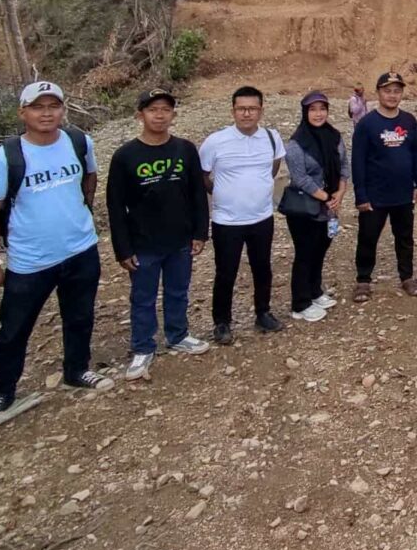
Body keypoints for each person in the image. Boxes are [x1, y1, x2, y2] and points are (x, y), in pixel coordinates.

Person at [0, 80, 111, 426]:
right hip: (29, 259)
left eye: (53, 106)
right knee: (15, 327)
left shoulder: (80, 142)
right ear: (23, 112)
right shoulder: (5, 158)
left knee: (80, 316)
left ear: (62, 110)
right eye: (38, 107)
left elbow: (90, 179)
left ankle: (77, 370)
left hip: (80, 248)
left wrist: (81, 214)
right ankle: (2, 390)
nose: (46, 113)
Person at [105, 88, 211, 382]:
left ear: (173, 114)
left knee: (178, 290)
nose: (160, 115)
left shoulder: (185, 149)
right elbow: (115, 206)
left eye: (165, 109)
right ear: (140, 115)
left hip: (180, 238)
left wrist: (201, 232)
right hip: (143, 242)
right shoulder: (125, 156)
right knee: (143, 297)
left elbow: (197, 195)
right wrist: (122, 249)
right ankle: (142, 347)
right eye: (153, 110)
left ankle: (178, 334)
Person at [199, 86, 285, 344]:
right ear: (233, 111)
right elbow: (203, 176)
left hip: (262, 217)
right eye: (241, 108)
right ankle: (222, 322)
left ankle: (263, 312)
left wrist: (258, 188)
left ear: (261, 110)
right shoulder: (215, 141)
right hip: (227, 221)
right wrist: (223, 193)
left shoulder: (271, 137)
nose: (247, 113)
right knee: (226, 272)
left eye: (253, 108)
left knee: (262, 267)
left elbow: (275, 165)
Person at [350, 71, 417, 301]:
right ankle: (363, 280)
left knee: (404, 237)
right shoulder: (366, 124)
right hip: (375, 195)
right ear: (378, 92)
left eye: (397, 91)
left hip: (403, 193)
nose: (392, 96)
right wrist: (360, 195)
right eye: (387, 91)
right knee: (368, 237)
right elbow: (358, 162)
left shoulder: (409, 121)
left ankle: (407, 277)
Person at [282, 91, 347, 322]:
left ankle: (314, 290)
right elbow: (300, 178)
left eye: (322, 109)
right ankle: (300, 303)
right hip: (305, 208)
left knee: (321, 248)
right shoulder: (296, 144)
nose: (318, 114)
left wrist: (340, 192)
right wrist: (326, 196)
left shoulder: (334, 136)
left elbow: (343, 167)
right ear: (305, 112)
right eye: (313, 109)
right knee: (305, 252)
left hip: (329, 205)